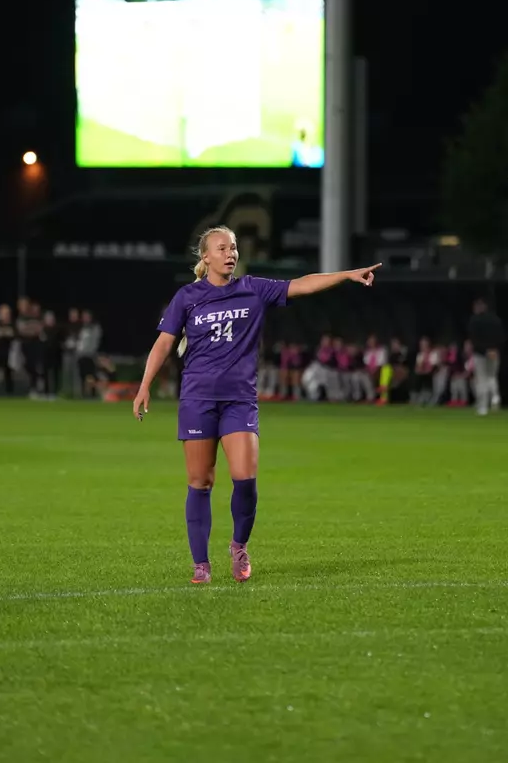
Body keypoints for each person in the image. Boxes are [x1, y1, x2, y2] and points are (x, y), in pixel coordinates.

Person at [132, 225, 381, 585]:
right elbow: (163, 343)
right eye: (222, 248)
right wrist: (144, 386)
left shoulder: (253, 289)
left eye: (233, 247)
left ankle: (238, 546)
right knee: (200, 482)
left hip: (239, 400)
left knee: (245, 480)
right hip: (198, 399)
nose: (230, 253)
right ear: (206, 256)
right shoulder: (187, 297)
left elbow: (303, 283)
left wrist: (347, 275)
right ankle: (200, 564)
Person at [468, 298, 505, 415]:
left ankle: (483, 407)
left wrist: (485, 351)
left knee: (482, 379)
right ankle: (495, 398)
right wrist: (494, 349)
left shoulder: (474, 320)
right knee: (492, 377)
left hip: (480, 354)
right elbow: (501, 337)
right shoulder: (496, 320)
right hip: (494, 352)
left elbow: (474, 339)